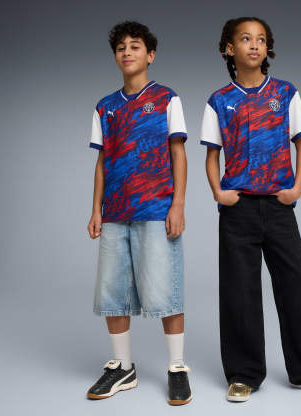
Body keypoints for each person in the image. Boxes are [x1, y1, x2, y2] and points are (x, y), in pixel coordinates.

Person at [200, 16, 301, 402]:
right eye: (245, 39)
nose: (254, 45)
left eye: (261, 39)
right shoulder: (219, 101)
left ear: (268, 48)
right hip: (237, 210)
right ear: (229, 49)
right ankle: (243, 374)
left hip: (279, 207)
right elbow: (211, 155)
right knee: (239, 293)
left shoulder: (285, 92)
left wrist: (297, 188)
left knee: (295, 287)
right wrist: (218, 192)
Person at [86, 21, 191, 406]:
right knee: (113, 291)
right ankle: (123, 367)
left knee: (165, 289)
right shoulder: (105, 106)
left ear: (150, 55)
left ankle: (177, 367)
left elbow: (178, 153)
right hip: (115, 212)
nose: (127, 52)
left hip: (156, 209)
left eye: (135, 46)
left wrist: (177, 204)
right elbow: (102, 162)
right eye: (121, 48)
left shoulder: (166, 98)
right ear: (115, 57)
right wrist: (96, 210)